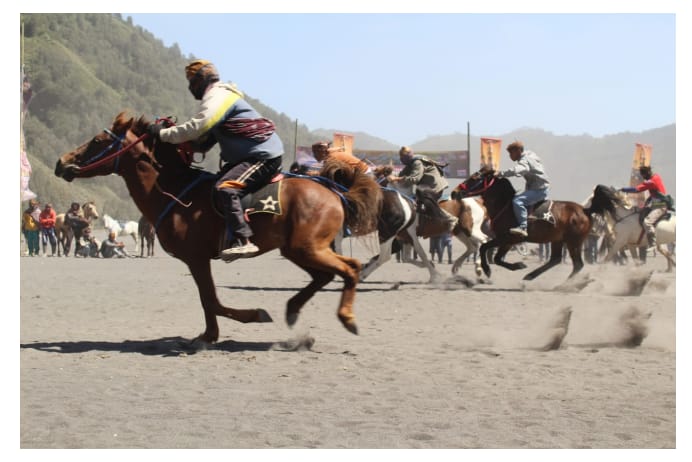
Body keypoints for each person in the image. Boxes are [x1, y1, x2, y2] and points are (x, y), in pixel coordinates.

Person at [147, 59, 283, 259]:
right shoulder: (220, 98)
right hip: (253, 154)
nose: (190, 87)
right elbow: (205, 140)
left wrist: (164, 134)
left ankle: (243, 240)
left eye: (192, 82)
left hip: (262, 155)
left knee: (225, 187)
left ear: (202, 80)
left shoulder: (217, 96)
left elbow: (198, 127)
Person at [387, 146, 457, 231]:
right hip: (426, 187)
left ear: (407, 156)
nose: (401, 159)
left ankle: (450, 219)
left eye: (402, 157)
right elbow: (401, 174)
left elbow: (414, 179)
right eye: (400, 156)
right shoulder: (410, 163)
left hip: (434, 187)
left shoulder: (417, 162)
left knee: (426, 203)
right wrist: (392, 175)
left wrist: (397, 179)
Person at [495, 141, 550, 237]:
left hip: (539, 190)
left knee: (517, 201)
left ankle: (523, 227)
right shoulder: (530, 154)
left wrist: (501, 174)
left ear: (519, 151)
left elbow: (521, 169)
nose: (510, 156)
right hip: (538, 188)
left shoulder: (525, 160)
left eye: (512, 153)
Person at [620, 165, 669, 250]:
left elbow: (637, 189)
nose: (643, 178)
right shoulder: (656, 176)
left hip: (660, 206)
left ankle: (652, 243)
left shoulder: (651, 181)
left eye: (643, 176)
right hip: (656, 204)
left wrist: (623, 189)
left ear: (647, 174)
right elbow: (655, 192)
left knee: (647, 222)